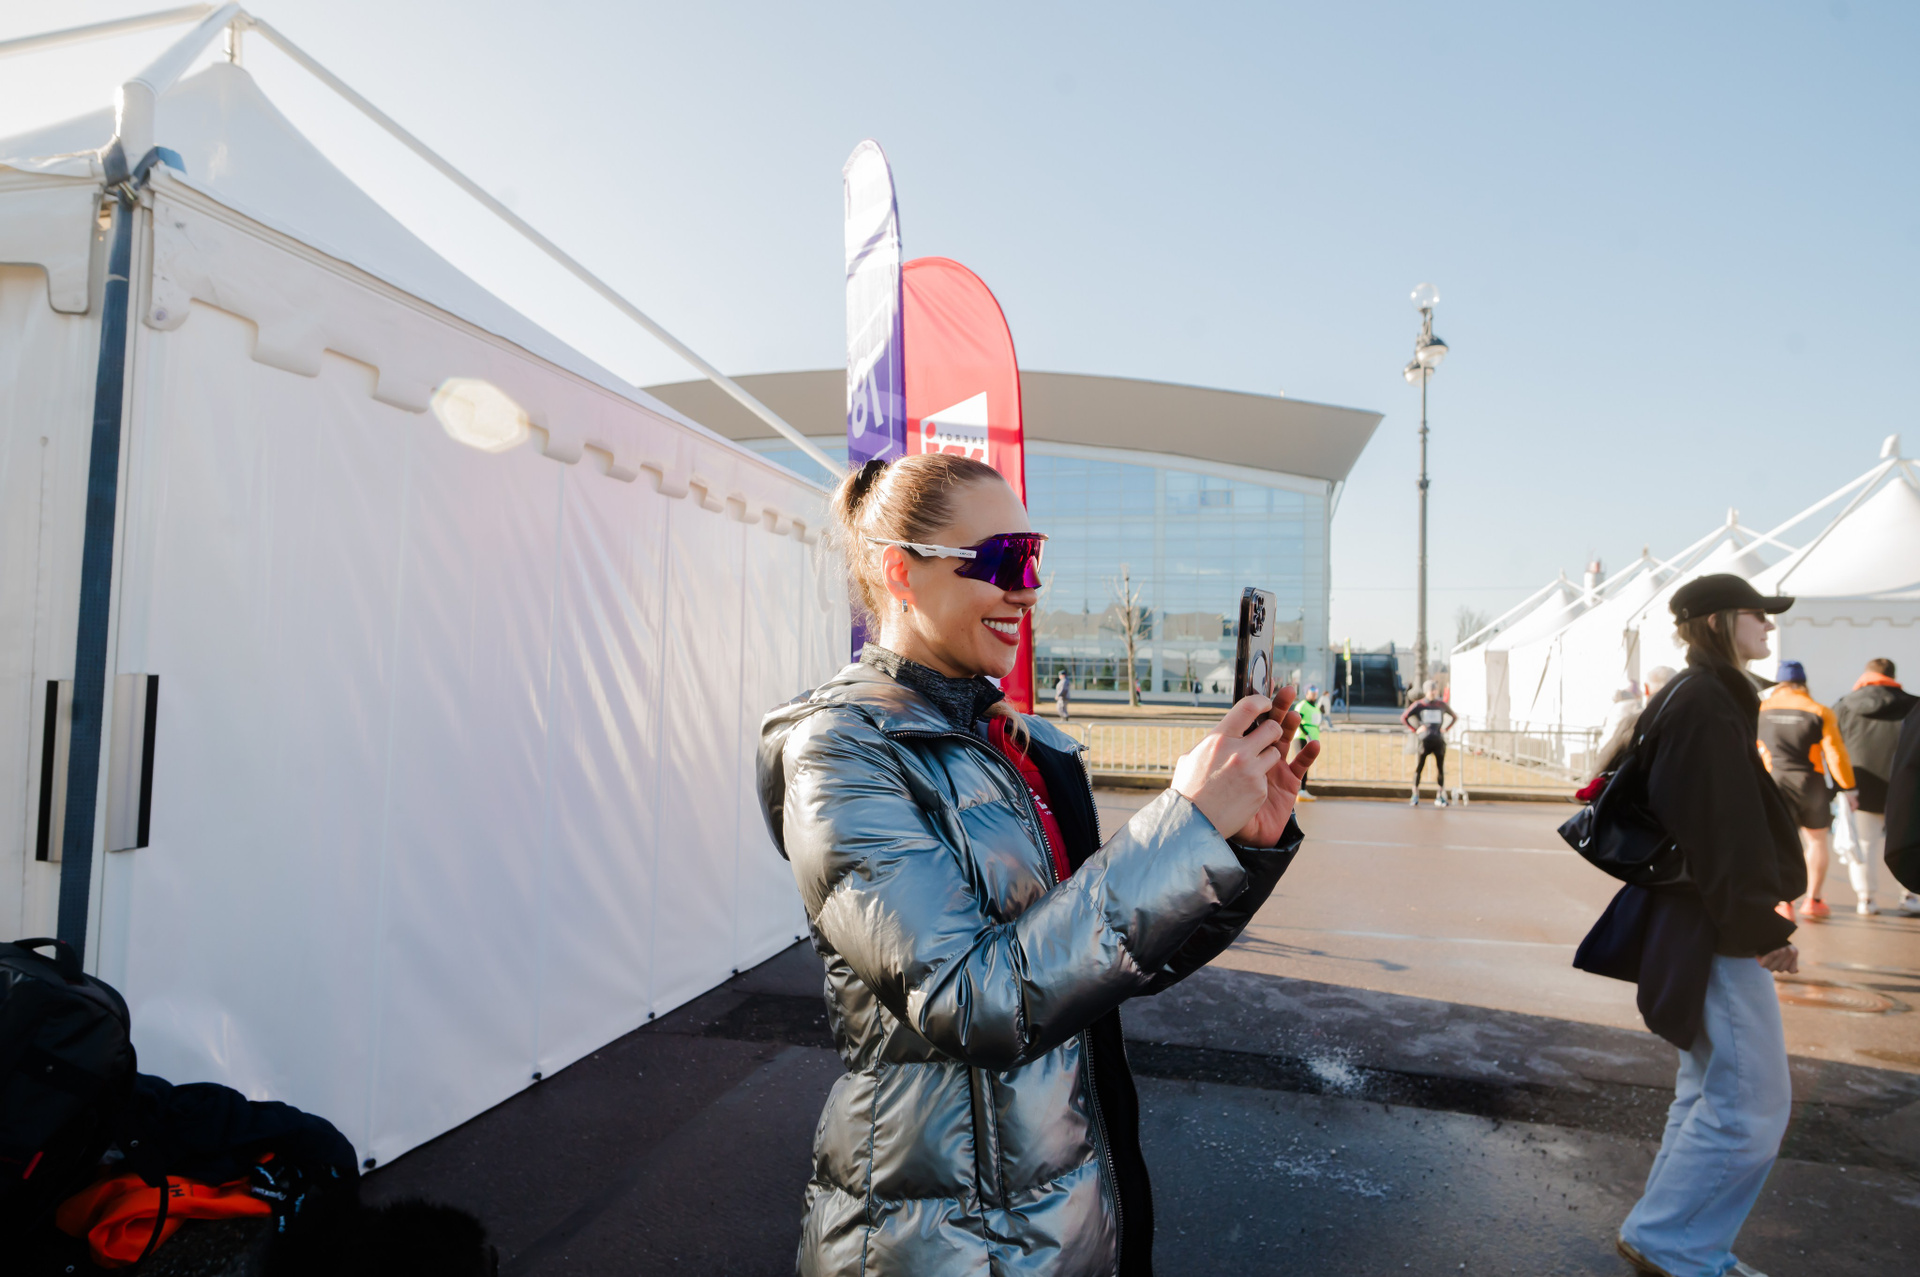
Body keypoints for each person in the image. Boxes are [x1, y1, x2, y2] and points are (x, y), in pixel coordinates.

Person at [758, 453, 1319, 1276]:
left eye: (1035, 557)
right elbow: (972, 997)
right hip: (932, 1239)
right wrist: (1185, 824)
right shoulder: (840, 751)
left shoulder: (1034, 747)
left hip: (1073, 1213)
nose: (1029, 589)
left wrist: (1237, 845)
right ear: (899, 571)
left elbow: (1115, 964)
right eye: (1004, 560)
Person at [1604, 574, 1805, 1277]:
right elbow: (1720, 832)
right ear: (1719, 621)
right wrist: (1762, 927)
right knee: (1751, 1104)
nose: (1769, 626)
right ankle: (1674, 1241)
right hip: (1714, 925)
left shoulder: (1704, 695)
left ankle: (1671, 1236)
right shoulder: (1708, 702)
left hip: (1701, 918)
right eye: (1759, 615)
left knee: (1711, 1090)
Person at [1758, 659, 1857, 921]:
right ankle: (1813, 900)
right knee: (1816, 841)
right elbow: (1835, 754)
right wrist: (1849, 788)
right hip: (1811, 784)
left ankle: (1784, 902)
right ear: (1803, 683)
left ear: (1779, 683)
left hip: (1775, 782)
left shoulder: (1761, 710)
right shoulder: (1819, 711)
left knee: (1781, 842)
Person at [1832, 659, 1920, 916]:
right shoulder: (1913, 704)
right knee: (1910, 840)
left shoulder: (1844, 705)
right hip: (1906, 789)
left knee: (1865, 844)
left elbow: (1834, 746)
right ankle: (1910, 895)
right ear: (1893, 675)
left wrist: (1842, 787)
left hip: (1862, 788)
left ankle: (1866, 898)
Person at [1402, 680, 1456, 807]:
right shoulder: (1420, 705)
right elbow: (1405, 717)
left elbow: (1454, 717)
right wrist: (1416, 729)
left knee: (1440, 769)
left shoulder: (1441, 704)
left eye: (1435, 690)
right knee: (1419, 767)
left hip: (1438, 740)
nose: (1433, 692)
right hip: (1425, 741)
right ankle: (1415, 794)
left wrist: (1445, 729)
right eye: (1431, 690)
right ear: (1426, 691)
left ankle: (1440, 795)